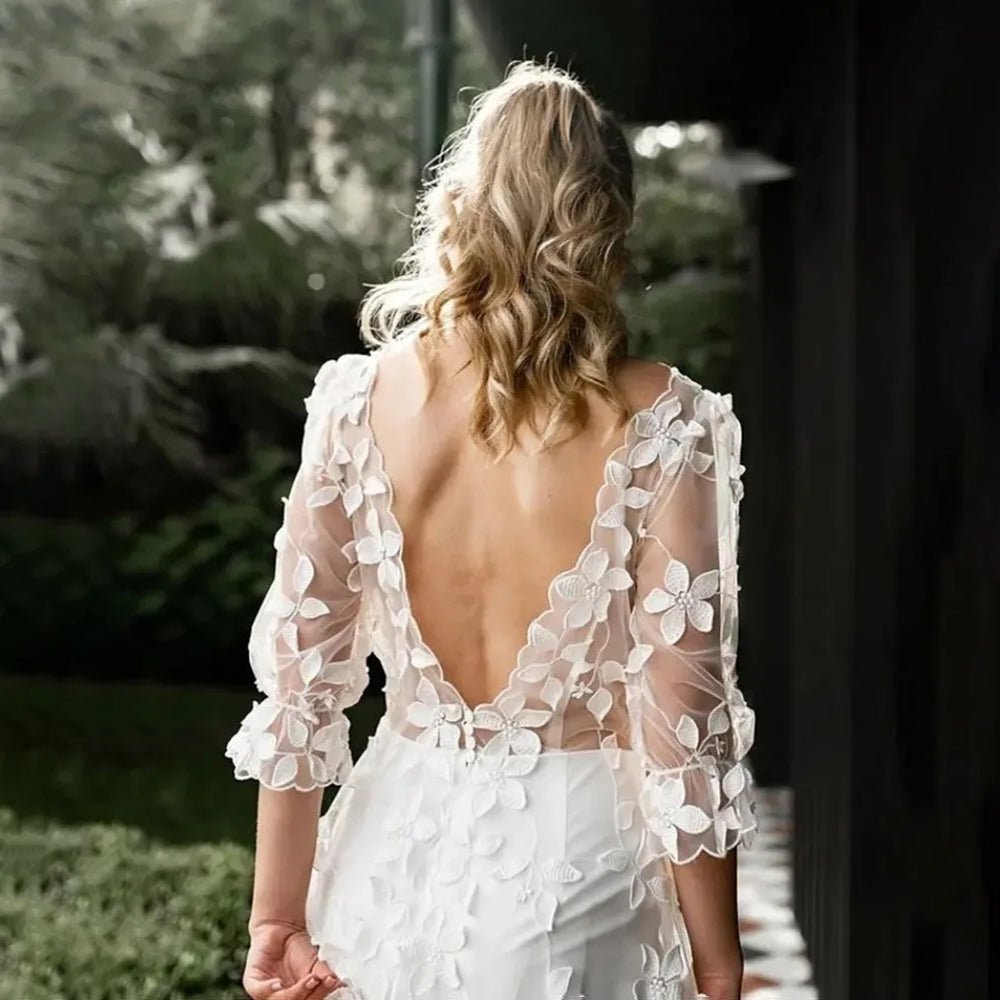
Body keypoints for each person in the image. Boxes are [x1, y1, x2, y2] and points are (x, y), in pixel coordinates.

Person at [225, 59, 758, 1000]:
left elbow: (303, 694)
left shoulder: (356, 403)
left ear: (464, 203)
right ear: (609, 223)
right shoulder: (666, 423)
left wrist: (277, 915)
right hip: (583, 887)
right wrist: (718, 962)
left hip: (387, 874)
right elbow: (684, 723)